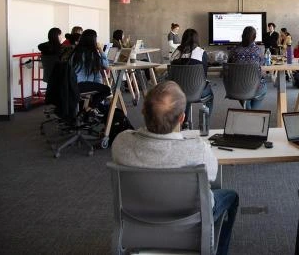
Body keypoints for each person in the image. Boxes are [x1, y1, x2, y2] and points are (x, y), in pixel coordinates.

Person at [112, 81, 239, 255]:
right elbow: (213, 175)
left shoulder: (121, 143)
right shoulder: (197, 150)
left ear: (143, 112)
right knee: (230, 196)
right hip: (189, 218)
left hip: (140, 216)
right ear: (182, 118)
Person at [169, 28, 214, 128]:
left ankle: (184, 122)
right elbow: (204, 76)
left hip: (178, 92)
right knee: (209, 96)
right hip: (196, 91)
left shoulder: (175, 53)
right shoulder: (201, 53)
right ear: (196, 39)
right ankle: (204, 124)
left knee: (185, 88)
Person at [227, 26, 267, 109]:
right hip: (256, 87)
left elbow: (228, 68)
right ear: (255, 37)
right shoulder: (258, 50)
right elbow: (263, 72)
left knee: (245, 97)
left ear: (242, 36)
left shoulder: (234, 50)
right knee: (261, 88)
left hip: (238, 88)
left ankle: (248, 110)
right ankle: (251, 113)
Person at [69, 29, 111, 108]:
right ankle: (89, 109)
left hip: (71, 84)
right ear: (93, 40)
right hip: (81, 85)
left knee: (97, 84)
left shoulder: (76, 51)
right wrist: (101, 50)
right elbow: (106, 65)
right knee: (107, 90)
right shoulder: (91, 54)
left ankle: (90, 107)